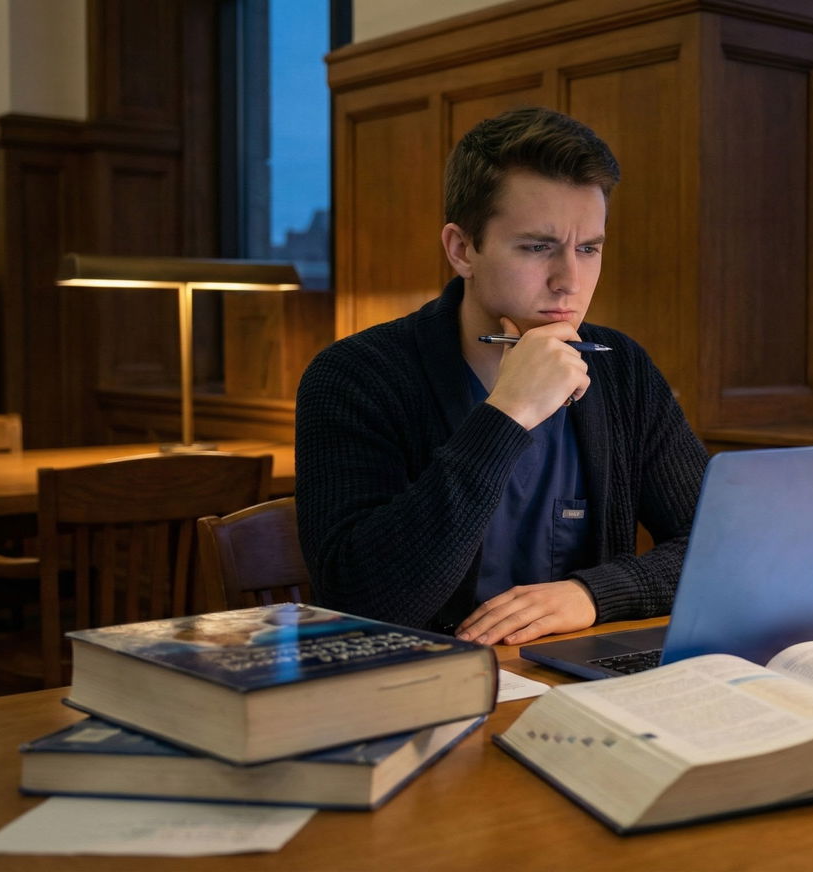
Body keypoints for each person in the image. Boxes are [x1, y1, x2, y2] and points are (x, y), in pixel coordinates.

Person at [295, 107, 708, 647]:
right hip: (420, 686)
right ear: (463, 249)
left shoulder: (621, 367)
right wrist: (507, 414)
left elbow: (719, 548)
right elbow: (364, 600)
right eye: (538, 248)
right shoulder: (353, 376)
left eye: (588, 249)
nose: (570, 281)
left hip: (578, 678)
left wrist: (594, 594)